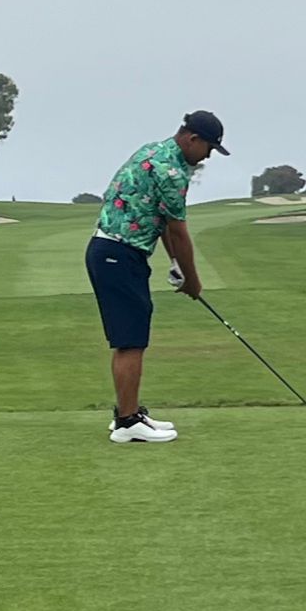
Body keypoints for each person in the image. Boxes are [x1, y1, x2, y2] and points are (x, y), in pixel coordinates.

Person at [85, 110, 229, 444]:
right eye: (209, 148)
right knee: (131, 339)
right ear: (193, 139)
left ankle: (129, 411)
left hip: (113, 252)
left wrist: (177, 263)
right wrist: (192, 280)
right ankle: (127, 422)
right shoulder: (172, 171)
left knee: (132, 335)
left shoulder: (152, 151)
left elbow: (161, 219)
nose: (208, 156)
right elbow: (178, 230)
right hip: (117, 254)